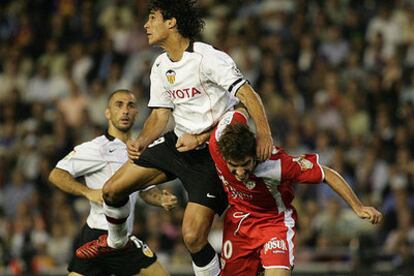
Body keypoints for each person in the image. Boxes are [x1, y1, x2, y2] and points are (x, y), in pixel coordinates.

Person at [76, 0, 273, 275]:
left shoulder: (209, 58)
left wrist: (264, 134)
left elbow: (247, 96)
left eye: (152, 18)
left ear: (172, 23)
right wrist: (142, 140)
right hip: (178, 143)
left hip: (212, 152)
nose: (146, 25)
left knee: (192, 236)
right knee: (111, 190)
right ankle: (116, 242)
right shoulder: (159, 66)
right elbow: (159, 116)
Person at [208, 109, 383, 276]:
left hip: (274, 224)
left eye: (245, 164)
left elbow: (326, 174)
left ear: (254, 154)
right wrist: (197, 137)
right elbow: (239, 109)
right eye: (234, 166)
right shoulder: (218, 142)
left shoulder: (278, 164)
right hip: (239, 225)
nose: (240, 172)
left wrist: (358, 207)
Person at [48, 89, 176, 276]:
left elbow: (143, 190)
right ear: (108, 113)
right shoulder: (95, 148)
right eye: (119, 105)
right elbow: (56, 174)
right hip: (96, 236)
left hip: (123, 237)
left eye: (130, 105)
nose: (125, 110)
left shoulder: (140, 150)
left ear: (136, 113)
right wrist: (87, 192)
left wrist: (160, 199)